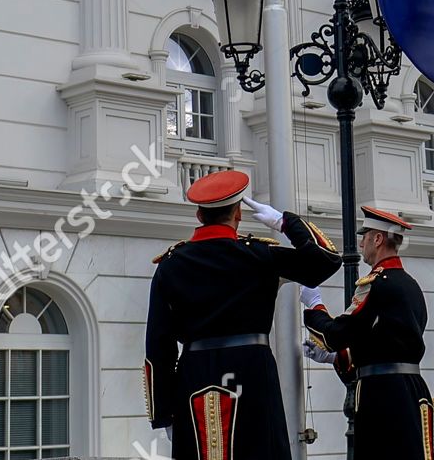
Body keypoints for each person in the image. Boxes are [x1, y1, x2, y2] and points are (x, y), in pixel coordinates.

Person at [143, 169, 340, 460]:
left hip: (195, 376)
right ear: (238, 213)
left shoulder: (171, 264)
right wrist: (284, 222)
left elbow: (159, 346)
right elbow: (326, 260)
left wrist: (164, 414)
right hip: (252, 371)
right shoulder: (260, 256)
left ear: (199, 215)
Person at [300, 206, 434, 459]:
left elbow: (338, 334)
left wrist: (315, 307)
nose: (361, 242)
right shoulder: (411, 285)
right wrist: (335, 358)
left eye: (365, 236)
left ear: (377, 239)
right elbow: (384, 344)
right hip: (413, 390)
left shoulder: (376, 283)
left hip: (383, 393)